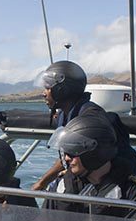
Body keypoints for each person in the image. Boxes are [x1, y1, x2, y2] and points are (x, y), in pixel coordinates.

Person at [31, 60, 104, 191]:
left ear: (62, 90)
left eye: (48, 88)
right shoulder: (65, 115)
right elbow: (67, 157)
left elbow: (79, 158)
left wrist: (42, 183)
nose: (43, 93)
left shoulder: (89, 119)